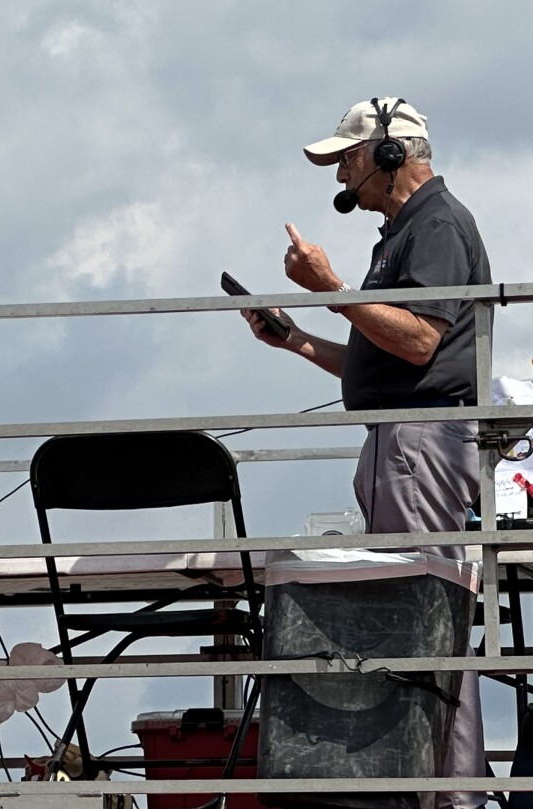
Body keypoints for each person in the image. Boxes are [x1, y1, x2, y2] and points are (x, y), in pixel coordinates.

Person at [243, 98, 489, 809]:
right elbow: (380, 355)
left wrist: (331, 289)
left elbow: (419, 341)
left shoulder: (434, 225)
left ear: (390, 154)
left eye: (348, 158)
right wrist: (296, 339)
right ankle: (442, 790)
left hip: (418, 441)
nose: (342, 175)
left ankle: (452, 795)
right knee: (420, 616)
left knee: (428, 616)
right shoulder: (408, 231)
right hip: (403, 439)